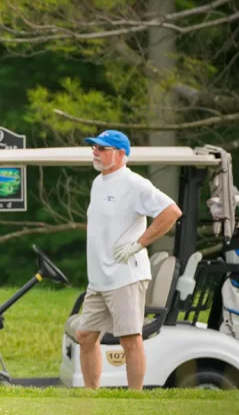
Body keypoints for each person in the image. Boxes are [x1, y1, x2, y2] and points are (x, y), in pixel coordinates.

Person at [75, 130, 182, 390]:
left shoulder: (134, 183)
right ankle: (90, 396)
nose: (95, 152)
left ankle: (134, 398)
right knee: (85, 336)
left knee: (130, 339)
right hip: (99, 279)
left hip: (125, 276)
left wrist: (139, 244)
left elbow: (171, 212)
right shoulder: (98, 182)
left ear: (121, 154)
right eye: (94, 147)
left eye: (102, 148)